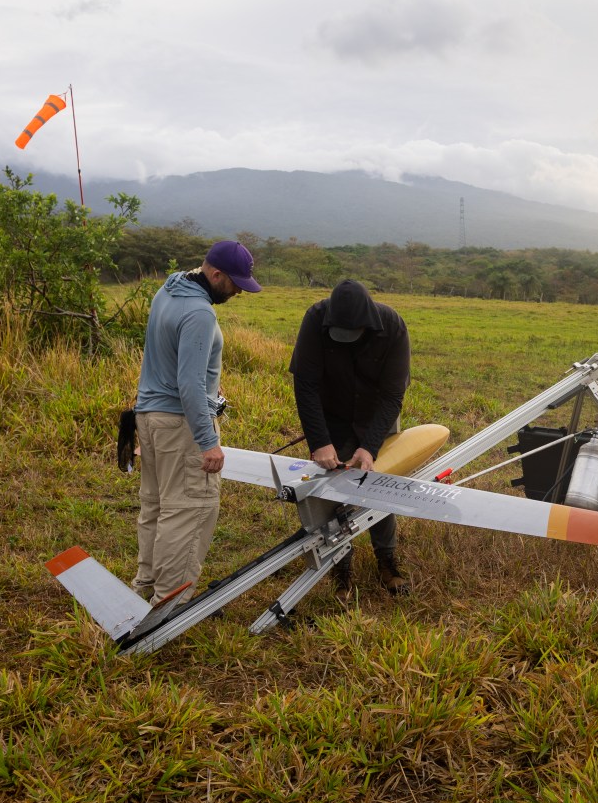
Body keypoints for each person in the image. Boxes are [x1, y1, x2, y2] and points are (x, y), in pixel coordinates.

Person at [132, 240, 261, 605]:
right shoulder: (200, 313)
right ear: (215, 274)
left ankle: (145, 587)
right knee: (190, 507)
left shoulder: (171, 287)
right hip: (181, 424)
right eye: (234, 283)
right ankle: (167, 606)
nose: (238, 291)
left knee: (156, 505)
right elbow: (187, 384)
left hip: (151, 415)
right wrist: (207, 441)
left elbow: (166, 354)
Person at [289, 278, 411, 598]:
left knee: (378, 486)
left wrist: (369, 447)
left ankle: (386, 560)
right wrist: (319, 442)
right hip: (333, 418)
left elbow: (392, 397)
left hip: (377, 418)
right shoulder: (315, 320)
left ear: (367, 323)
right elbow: (306, 385)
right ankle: (340, 566)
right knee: (330, 487)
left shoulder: (393, 327)